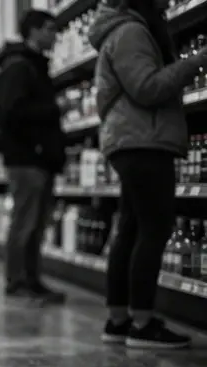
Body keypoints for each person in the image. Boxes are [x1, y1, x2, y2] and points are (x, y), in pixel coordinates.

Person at [88, 0, 206, 348]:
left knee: (131, 228)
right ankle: (142, 323)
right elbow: (147, 87)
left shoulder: (122, 29)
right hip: (142, 140)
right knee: (153, 229)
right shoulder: (131, 32)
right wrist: (194, 64)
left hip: (133, 139)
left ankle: (120, 319)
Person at [0, 9, 66, 301]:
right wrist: (50, 112)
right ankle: (17, 281)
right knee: (25, 221)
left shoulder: (33, 65)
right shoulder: (19, 67)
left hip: (38, 158)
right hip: (26, 159)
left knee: (35, 224)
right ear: (34, 31)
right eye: (50, 29)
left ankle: (32, 279)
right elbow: (12, 112)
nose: (55, 35)